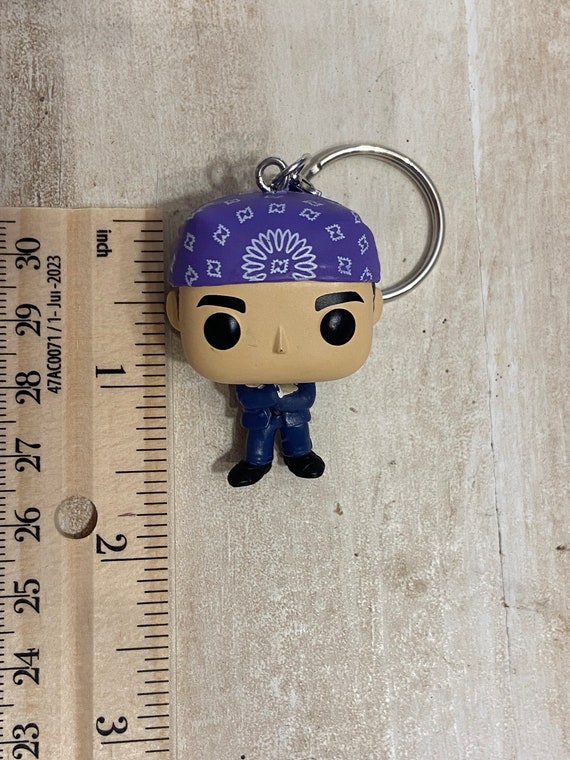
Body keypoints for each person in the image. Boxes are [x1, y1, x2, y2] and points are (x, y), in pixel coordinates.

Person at [166, 188, 383, 486]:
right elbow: (254, 396)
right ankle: (256, 461)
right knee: (259, 437)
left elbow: (304, 396)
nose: (281, 346)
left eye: (335, 324)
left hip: (293, 417)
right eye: (222, 327)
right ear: (176, 312)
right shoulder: (265, 383)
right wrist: (280, 394)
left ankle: (300, 454)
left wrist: (272, 395)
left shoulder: (285, 382)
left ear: (374, 307)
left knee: (296, 434)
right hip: (262, 419)